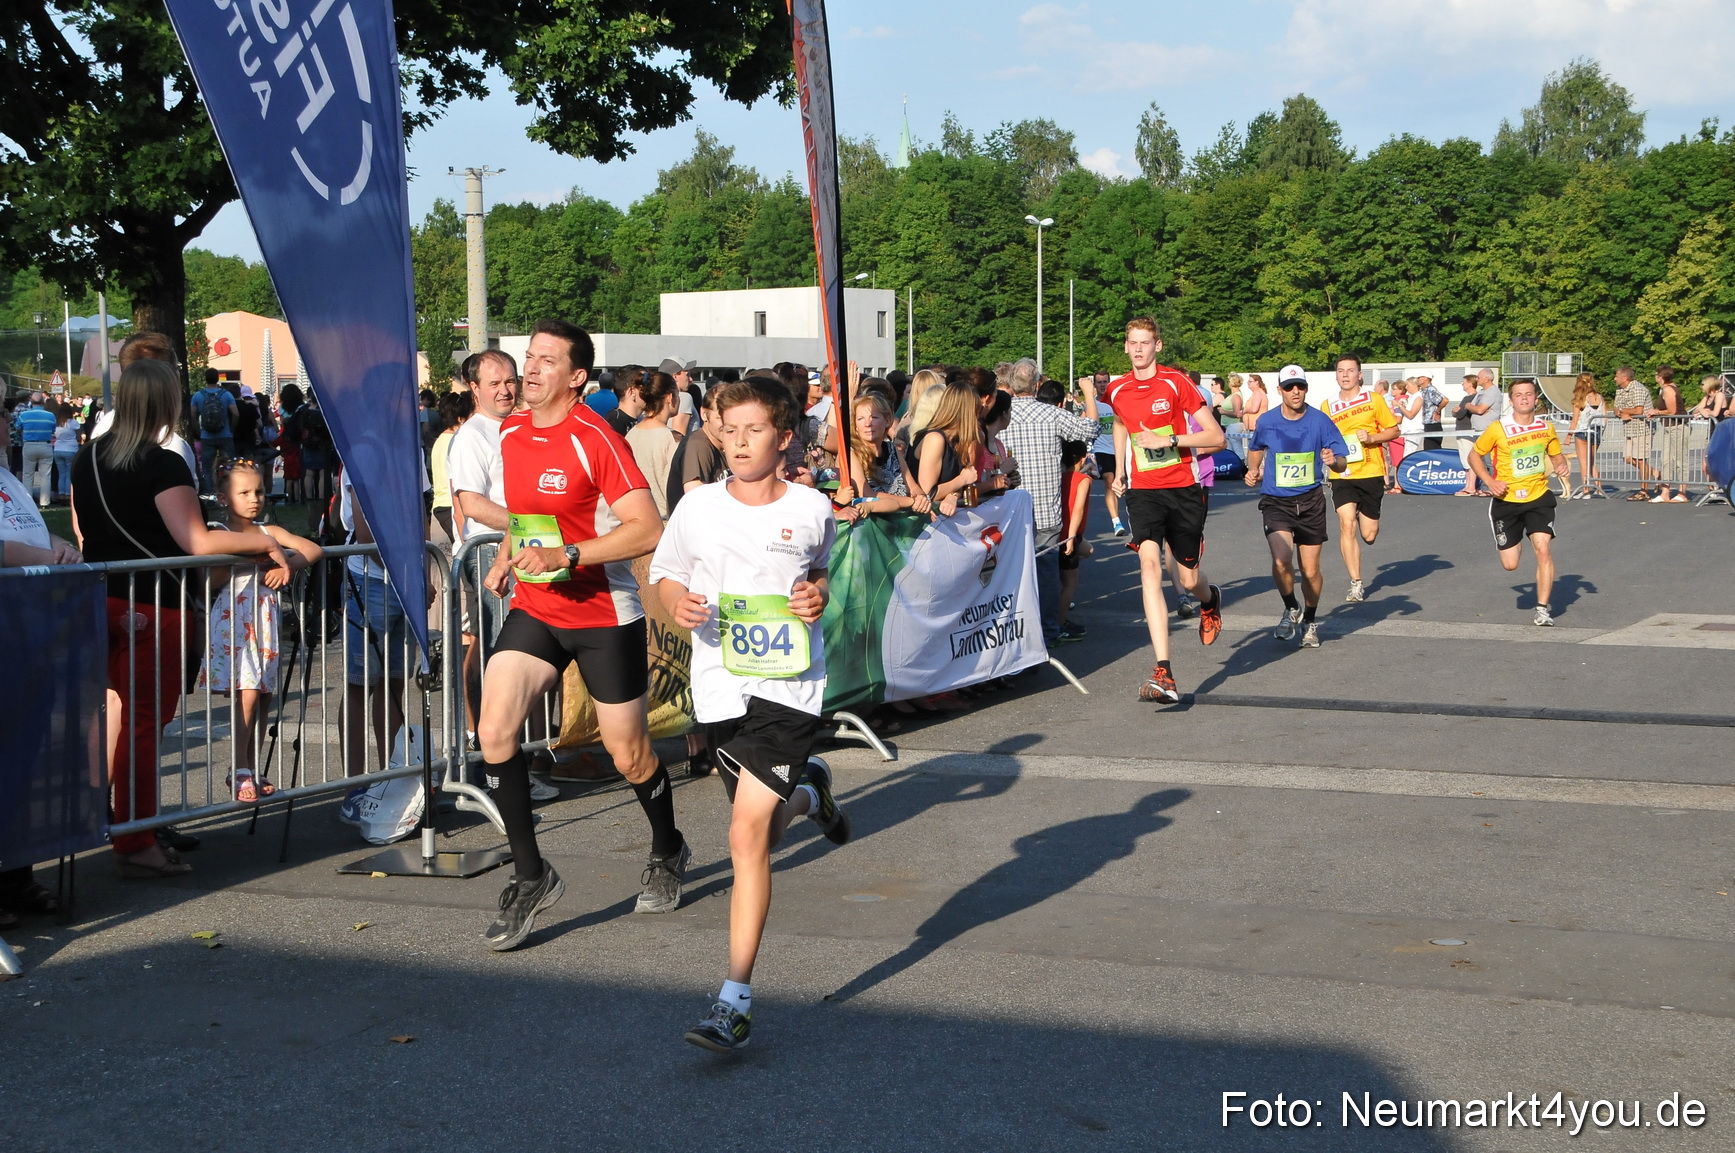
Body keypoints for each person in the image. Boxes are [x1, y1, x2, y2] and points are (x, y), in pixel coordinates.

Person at [647, 375, 850, 1053]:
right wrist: (678, 603)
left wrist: (814, 596)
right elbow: (666, 574)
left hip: (789, 688)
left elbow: (819, 572)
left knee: (739, 836)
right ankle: (810, 789)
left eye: (752, 430)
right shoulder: (697, 508)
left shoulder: (811, 506)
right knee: (760, 834)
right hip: (720, 687)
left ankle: (733, 999)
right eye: (727, 430)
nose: (737, 442)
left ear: (783, 436)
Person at [477, 320, 683, 951]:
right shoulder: (511, 432)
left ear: (577, 378)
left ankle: (668, 847)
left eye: (544, 361)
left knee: (629, 756)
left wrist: (569, 554)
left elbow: (646, 529)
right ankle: (532, 875)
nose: (528, 370)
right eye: (527, 358)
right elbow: (523, 513)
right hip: (539, 608)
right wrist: (509, 553)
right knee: (494, 731)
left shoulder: (596, 438)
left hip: (602, 613)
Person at [71, 359, 291, 877]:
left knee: (113, 720)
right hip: (152, 604)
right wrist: (265, 540)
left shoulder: (87, 459)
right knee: (144, 725)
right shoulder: (161, 462)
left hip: (101, 598)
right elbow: (197, 540)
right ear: (168, 402)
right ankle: (135, 839)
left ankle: (111, 824)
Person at [1104, 318, 1225, 704]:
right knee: (1150, 568)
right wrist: (1122, 468)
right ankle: (1164, 671)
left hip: (1184, 489)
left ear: (1158, 345)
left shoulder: (1176, 383)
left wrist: (1169, 438)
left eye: (1146, 343)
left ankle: (1209, 599)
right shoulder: (1117, 389)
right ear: (1126, 347)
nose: (1139, 349)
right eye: (1133, 343)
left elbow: (1217, 437)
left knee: (1188, 581)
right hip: (1144, 492)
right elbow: (1122, 422)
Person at [199, 458, 324, 800]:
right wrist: (244, 557)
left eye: (259, 491)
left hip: (265, 621)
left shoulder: (270, 531)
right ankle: (238, 766)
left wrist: (286, 566)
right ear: (224, 498)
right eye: (244, 492)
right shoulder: (219, 533)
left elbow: (313, 548)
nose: (254, 498)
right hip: (237, 619)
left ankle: (250, 766)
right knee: (248, 691)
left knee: (263, 695)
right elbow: (212, 579)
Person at [0, 458, 81, 927]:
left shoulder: (8, 475)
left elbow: (29, 529)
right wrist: (40, 559)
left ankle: (16, 876)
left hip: (30, 633)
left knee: (25, 762)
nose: (5, 420)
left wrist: (58, 545)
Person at [1244, 365, 1350, 649]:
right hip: (1276, 500)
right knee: (1281, 559)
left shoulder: (1320, 421)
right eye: (1289, 387)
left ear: (1305, 388)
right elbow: (1256, 447)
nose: (1295, 392)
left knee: (1311, 570)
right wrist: (1252, 470)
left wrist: (1333, 461)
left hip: (1311, 500)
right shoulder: (1267, 421)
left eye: (1300, 386)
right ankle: (1291, 606)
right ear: (1279, 390)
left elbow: (1342, 460)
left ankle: (1311, 620)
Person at [1000, 357, 1102, 647]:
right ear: (1037, 384)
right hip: (1045, 509)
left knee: (1012, 575)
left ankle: (1016, 634)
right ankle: (1046, 632)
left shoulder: (1001, 415)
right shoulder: (1050, 414)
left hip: (1010, 510)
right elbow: (1091, 431)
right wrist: (1089, 397)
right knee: (1046, 575)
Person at [1467, 379, 1569, 626]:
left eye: (1529, 394)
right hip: (1506, 501)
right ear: (1511, 401)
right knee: (1510, 564)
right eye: (1518, 395)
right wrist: (1490, 482)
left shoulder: (1546, 428)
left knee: (1543, 549)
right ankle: (1518, 537)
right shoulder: (1497, 429)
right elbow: (1474, 456)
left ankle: (1543, 609)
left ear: (1536, 399)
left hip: (1538, 498)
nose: (1524, 398)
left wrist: (1561, 465)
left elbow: (1557, 456)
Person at [1322, 354, 1400, 603]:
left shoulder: (1374, 400)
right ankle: (1356, 583)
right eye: (1341, 370)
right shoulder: (1328, 405)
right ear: (1336, 375)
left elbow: (1393, 430)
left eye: (1350, 370)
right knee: (1346, 523)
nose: (1345, 374)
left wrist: (1372, 438)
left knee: (1368, 534)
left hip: (1371, 471)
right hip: (1341, 472)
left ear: (1360, 375)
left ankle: (1369, 521)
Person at [912, 381, 986, 517]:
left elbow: (964, 478)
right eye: (977, 413)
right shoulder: (935, 439)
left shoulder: (957, 441)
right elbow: (927, 494)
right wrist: (961, 481)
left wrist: (953, 495)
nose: (978, 420)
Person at [626, 371, 682, 519]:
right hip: (666, 519)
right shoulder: (671, 439)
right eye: (678, 394)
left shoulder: (631, 434)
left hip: (637, 518)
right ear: (670, 397)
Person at [667, 384, 727, 516]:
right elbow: (696, 501)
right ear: (704, 414)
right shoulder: (698, 446)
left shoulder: (729, 443)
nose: (727, 424)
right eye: (720, 418)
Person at [1056, 440, 1093, 643]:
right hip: (1069, 535)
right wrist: (1071, 537)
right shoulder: (1084, 480)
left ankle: (1058, 619)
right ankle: (1059, 624)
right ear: (1082, 457)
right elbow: (1077, 509)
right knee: (1070, 583)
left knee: (1088, 550)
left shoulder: (1060, 477)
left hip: (1060, 533)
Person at [428, 390, 472, 545]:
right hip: (451, 505)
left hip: (442, 504)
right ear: (460, 419)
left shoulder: (441, 440)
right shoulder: (456, 441)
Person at [190, 369, 239, 493]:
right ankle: (230, 492)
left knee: (207, 469)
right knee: (229, 466)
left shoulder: (198, 395)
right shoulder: (226, 395)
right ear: (217, 378)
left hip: (207, 436)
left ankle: (210, 495)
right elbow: (236, 414)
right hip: (225, 435)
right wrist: (231, 430)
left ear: (205, 378)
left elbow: (193, 416)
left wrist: (199, 432)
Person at [1086, 372, 1124, 535]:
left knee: (1123, 485)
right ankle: (1116, 522)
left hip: (1120, 449)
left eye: (1105, 381)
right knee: (1109, 481)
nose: (1102, 385)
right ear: (1094, 385)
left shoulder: (1117, 402)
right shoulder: (1093, 404)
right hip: (1102, 450)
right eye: (1099, 382)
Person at [1647, 366, 1689, 503]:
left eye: (1656, 374)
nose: (1655, 376)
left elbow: (1672, 410)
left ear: (1661, 376)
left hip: (1677, 427)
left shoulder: (1668, 389)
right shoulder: (1664, 389)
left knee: (1679, 459)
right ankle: (1665, 492)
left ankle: (1682, 493)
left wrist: (1656, 412)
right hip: (1668, 427)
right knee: (1665, 460)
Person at [1612, 366, 1653, 501]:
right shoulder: (1620, 390)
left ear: (1625, 378)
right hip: (1629, 429)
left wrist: (1624, 411)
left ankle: (1644, 490)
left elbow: (1639, 410)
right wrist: (1620, 412)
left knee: (1641, 460)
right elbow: (1616, 408)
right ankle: (1654, 473)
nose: (1615, 378)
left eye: (1617, 376)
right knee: (1628, 458)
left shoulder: (1638, 389)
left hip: (1642, 429)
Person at [1568, 372, 1606, 499]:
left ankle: (1585, 490)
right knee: (1592, 462)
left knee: (1583, 462)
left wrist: (1569, 436)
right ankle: (1599, 487)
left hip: (1583, 430)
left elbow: (1575, 420)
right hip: (1597, 430)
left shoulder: (1580, 399)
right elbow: (1605, 417)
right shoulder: (1599, 397)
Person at [15, 393, 56, 508]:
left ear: (31, 402)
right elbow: (53, 430)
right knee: (45, 475)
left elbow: (18, 428)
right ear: (43, 402)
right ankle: (45, 502)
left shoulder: (24, 415)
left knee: (28, 475)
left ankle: (28, 502)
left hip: (29, 445)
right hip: (46, 445)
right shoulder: (50, 416)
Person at [1391, 378, 1424, 491]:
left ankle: (1409, 484)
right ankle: (1405, 483)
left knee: (1408, 457)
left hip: (1414, 430)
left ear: (1414, 385)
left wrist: (1399, 406)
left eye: (1408, 385)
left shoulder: (1418, 397)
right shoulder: (1411, 397)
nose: (1406, 387)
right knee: (1405, 457)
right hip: (1407, 431)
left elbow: (1411, 415)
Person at [657, 357, 699, 437]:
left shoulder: (657, 398)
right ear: (675, 377)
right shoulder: (683, 398)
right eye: (687, 375)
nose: (691, 379)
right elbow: (678, 435)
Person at [605, 365, 647, 438]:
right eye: (645, 387)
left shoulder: (640, 421)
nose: (652, 391)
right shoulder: (615, 422)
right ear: (632, 392)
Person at [51, 402, 81, 503]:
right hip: (71, 449)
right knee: (69, 474)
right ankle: (68, 495)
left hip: (58, 449)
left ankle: (61, 494)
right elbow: (78, 436)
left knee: (61, 474)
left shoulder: (57, 423)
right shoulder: (72, 423)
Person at [1420, 373, 1447, 450]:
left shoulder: (1431, 390)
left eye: (1420, 377)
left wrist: (1437, 412)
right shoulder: (1424, 391)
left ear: (1425, 378)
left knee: (1432, 450)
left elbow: (1445, 400)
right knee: (1428, 449)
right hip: (1428, 424)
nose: (1418, 379)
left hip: (1433, 424)